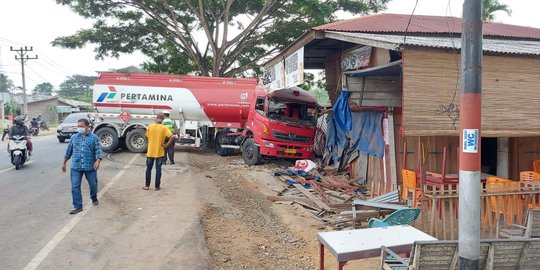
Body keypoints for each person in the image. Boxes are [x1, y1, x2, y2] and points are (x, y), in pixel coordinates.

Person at [61, 118, 103, 214]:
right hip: (76, 166)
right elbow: (69, 151)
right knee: (75, 187)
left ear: (87, 127)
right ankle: (77, 206)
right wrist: (64, 163)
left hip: (90, 167)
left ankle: (94, 197)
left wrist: (98, 160)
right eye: (78, 126)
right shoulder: (74, 138)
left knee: (93, 185)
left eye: (81, 126)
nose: (79, 128)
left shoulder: (94, 138)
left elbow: (98, 150)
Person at [144, 113, 174, 191]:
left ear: (156, 118)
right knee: (158, 169)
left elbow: (146, 137)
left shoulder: (150, 127)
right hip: (160, 152)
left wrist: (149, 144)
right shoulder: (164, 128)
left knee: (148, 169)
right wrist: (166, 145)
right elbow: (172, 136)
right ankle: (157, 187)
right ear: (163, 120)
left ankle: (147, 186)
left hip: (150, 152)